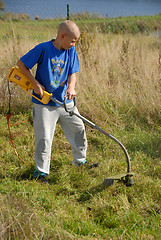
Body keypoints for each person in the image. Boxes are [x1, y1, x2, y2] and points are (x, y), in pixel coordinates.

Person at [17, 20, 100, 183]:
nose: (73, 44)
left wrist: (71, 87)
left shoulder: (71, 51)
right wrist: (36, 84)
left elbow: (72, 73)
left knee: (78, 130)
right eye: (73, 40)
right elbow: (21, 64)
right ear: (62, 36)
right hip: (44, 103)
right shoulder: (43, 49)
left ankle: (80, 162)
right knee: (44, 138)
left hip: (65, 102)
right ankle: (41, 173)